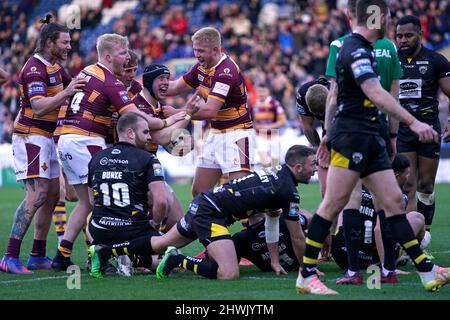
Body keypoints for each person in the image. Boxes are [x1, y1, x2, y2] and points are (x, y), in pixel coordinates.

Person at [296, 0, 447, 295]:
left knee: (392, 202)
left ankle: (428, 272)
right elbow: (374, 91)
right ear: (377, 18)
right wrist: (412, 122)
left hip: (372, 138)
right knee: (332, 205)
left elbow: (335, 94)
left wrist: (328, 134)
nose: (391, 27)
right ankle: (306, 275)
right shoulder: (353, 49)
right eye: (388, 20)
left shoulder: (360, 48)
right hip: (353, 137)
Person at [51, 33, 187, 271]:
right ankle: (103, 255)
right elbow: (136, 117)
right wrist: (170, 120)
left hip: (66, 138)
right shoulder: (110, 81)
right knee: (101, 202)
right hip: (86, 140)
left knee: (86, 203)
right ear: (107, 56)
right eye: (123, 54)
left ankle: (63, 255)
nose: (127, 61)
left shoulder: (87, 71)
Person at [89, 145, 316, 280]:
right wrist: (308, 269)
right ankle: (178, 259)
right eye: (313, 164)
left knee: (159, 244)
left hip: (205, 205)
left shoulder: (279, 176)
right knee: (229, 273)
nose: (315, 169)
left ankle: (105, 251)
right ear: (298, 168)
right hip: (211, 213)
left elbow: (272, 222)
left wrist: (275, 261)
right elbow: (296, 236)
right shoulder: (287, 191)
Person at [323, 0, 404, 284]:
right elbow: (393, 94)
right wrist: (393, 134)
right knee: (388, 201)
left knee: (348, 201)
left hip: (349, 130)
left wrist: (326, 134)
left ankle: (353, 270)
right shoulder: (389, 47)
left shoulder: (339, 45)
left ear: (351, 15)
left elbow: (333, 96)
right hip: (379, 128)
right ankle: (389, 269)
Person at [0, 16, 86, 274]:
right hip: (30, 136)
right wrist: (67, 92)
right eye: (64, 42)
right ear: (49, 43)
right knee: (36, 195)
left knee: (51, 196)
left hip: (46, 137)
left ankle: (37, 254)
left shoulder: (56, 68)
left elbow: (76, 89)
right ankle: (9, 256)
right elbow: (38, 107)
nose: (69, 47)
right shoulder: (34, 68)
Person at [163, 27, 255, 197]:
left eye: (201, 50)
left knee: (243, 197)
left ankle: (272, 216)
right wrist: (143, 87)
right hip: (216, 134)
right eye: (195, 50)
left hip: (237, 135)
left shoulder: (226, 71)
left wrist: (177, 113)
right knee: (199, 192)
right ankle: (213, 224)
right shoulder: (201, 67)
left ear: (215, 49)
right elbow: (175, 86)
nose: (197, 55)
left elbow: (210, 110)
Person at [87, 112, 166, 277]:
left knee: (89, 217)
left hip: (101, 231)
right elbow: (161, 202)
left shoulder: (96, 158)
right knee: (169, 253)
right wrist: (155, 226)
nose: (150, 137)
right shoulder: (148, 158)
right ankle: (124, 253)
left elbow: (92, 200)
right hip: (134, 232)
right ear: (130, 133)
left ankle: (116, 253)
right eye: (145, 132)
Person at [331, 154, 426, 282]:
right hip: (373, 259)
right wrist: (385, 265)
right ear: (396, 175)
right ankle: (406, 256)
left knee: (344, 208)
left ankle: (346, 268)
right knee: (417, 217)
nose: (408, 177)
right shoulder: (397, 197)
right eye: (407, 173)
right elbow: (378, 230)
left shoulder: (358, 188)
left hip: (343, 256)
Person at [395, 15, 450, 235]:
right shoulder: (391, 60)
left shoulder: (436, 61)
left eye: (408, 35)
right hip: (402, 131)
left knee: (425, 186)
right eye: (399, 36)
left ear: (420, 34)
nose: (403, 40)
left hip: (428, 130)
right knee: (408, 186)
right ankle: (412, 238)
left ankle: (424, 233)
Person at [232, 211, 312, 273]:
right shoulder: (283, 219)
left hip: (270, 269)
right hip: (301, 263)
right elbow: (311, 219)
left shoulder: (240, 239)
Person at [296, 77, 329, 197]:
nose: (320, 115)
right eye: (317, 113)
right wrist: (319, 150)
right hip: (327, 127)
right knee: (325, 191)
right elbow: (307, 126)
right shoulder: (302, 95)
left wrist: (327, 146)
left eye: (322, 112)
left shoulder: (341, 94)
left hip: (345, 127)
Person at [250, 83, 287, 167]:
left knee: (275, 163)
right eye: (259, 91)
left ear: (268, 92)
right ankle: (268, 177)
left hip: (273, 134)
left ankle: (275, 177)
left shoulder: (274, 104)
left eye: (263, 91)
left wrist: (268, 127)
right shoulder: (254, 104)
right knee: (264, 161)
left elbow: (283, 121)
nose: (261, 93)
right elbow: (252, 120)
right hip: (260, 135)